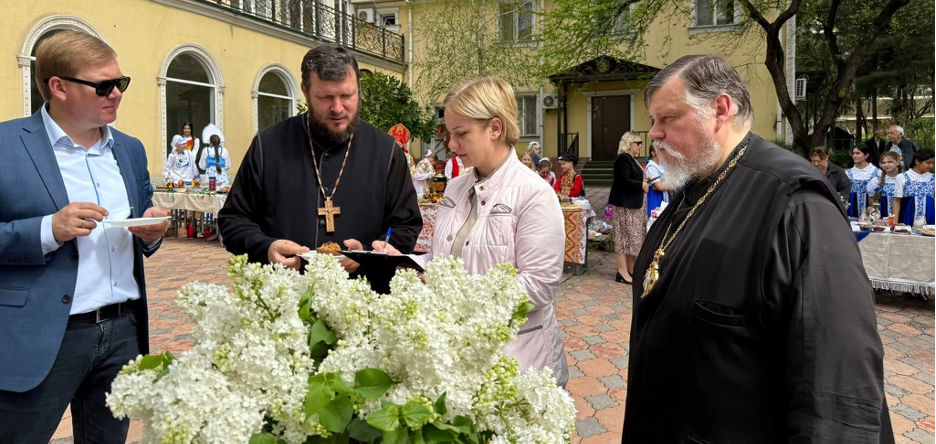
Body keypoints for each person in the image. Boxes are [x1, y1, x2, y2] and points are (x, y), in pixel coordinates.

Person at [622, 55, 891, 443]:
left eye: (666, 119)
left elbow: (836, 395)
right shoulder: (696, 187)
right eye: (652, 122)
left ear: (719, 109)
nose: (654, 134)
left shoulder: (797, 206)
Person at [0, 31, 169, 443]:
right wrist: (46, 230)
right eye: (102, 85)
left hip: (123, 332)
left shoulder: (129, 149)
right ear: (57, 86)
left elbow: (141, 229)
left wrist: (151, 233)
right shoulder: (6, 145)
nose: (116, 94)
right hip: (43, 334)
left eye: (120, 83)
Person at [372, 77, 568, 387]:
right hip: (460, 354)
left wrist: (454, 290)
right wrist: (407, 262)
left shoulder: (534, 194)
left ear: (495, 128)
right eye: (450, 134)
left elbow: (538, 287)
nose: (451, 145)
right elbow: (442, 262)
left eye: (461, 133)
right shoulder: (457, 187)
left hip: (517, 364)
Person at [218, 44, 421, 294]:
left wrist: (368, 252)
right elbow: (234, 220)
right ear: (305, 91)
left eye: (347, 96)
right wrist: (266, 247)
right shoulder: (267, 146)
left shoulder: (387, 151)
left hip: (365, 303)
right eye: (325, 98)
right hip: (284, 302)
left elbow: (406, 225)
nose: (337, 108)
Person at [609, 132, 648, 284]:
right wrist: (641, 185)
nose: (640, 145)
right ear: (629, 143)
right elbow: (622, 181)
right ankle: (622, 271)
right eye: (637, 142)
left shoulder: (631, 159)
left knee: (632, 238)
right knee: (623, 238)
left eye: (640, 143)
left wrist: (644, 181)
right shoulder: (623, 159)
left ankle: (632, 270)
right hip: (625, 205)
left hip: (633, 204)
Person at [895, 148, 935, 226]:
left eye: (933, 163)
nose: (931, 166)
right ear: (917, 162)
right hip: (907, 220)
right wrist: (895, 222)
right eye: (928, 163)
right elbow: (897, 201)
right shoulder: (902, 177)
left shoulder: (933, 178)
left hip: (930, 221)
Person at [847, 143, 882, 218]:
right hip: (853, 205)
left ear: (866, 155)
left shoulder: (877, 172)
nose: (854, 156)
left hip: (871, 206)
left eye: (858, 153)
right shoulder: (848, 173)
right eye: (853, 153)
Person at [867, 151, 903, 221]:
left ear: (898, 162)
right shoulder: (876, 181)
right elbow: (871, 199)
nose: (886, 165)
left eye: (890, 162)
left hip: (901, 213)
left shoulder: (904, 179)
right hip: (883, 214)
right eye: (884, 162)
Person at [644, 144, 670, 217]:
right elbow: (660, 187)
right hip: (655, 197)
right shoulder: (651, 167)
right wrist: (670, 185)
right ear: (653, 153)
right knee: (655, 219)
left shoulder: (661, 165)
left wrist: (664, 185)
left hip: (663, 195)